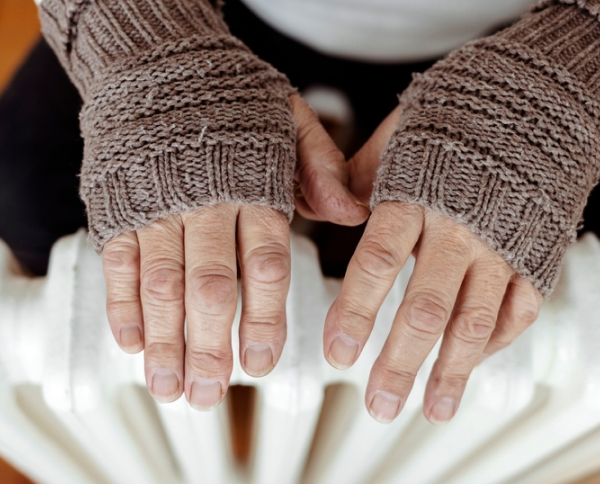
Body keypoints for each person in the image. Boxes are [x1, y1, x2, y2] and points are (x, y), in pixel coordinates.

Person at [1, 0, 598, 425]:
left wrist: (573, 73)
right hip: (191, 18)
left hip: (534, 39)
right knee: (22, 193)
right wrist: (140, 42)